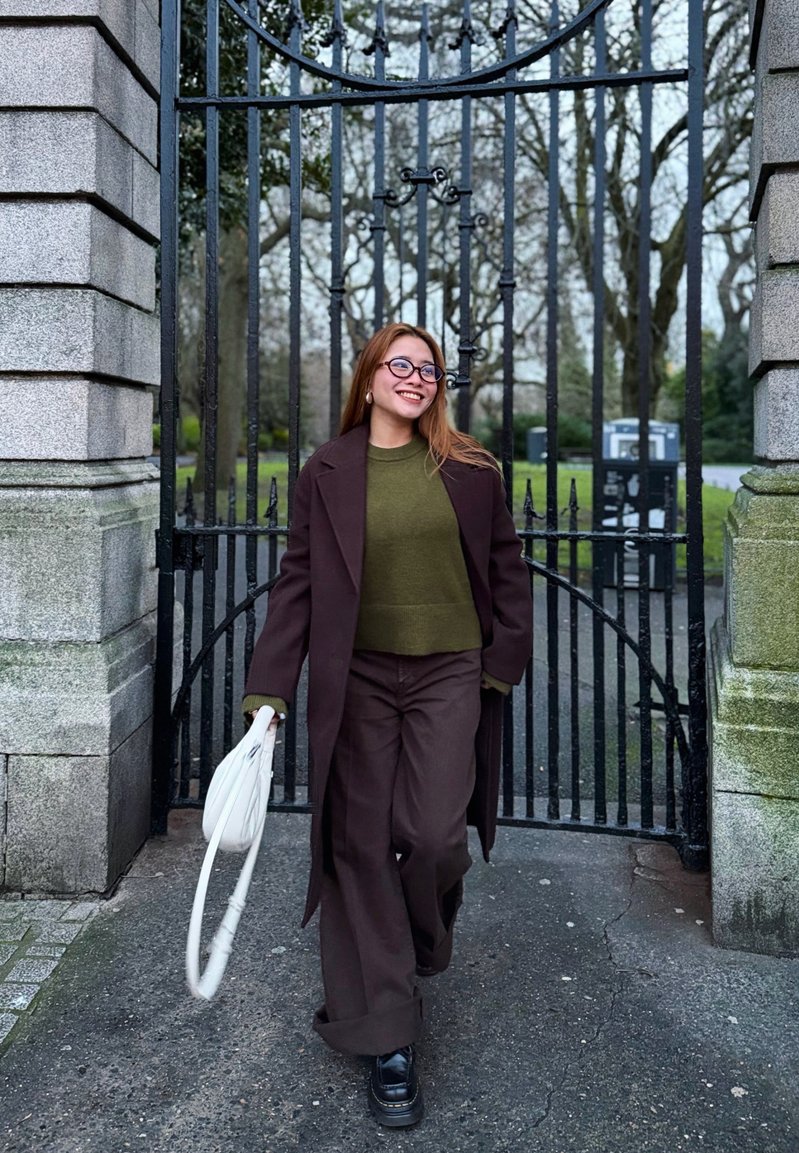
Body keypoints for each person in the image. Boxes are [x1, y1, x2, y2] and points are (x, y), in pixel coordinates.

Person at [242, 322, 532, 1127]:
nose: (416, 377)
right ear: (369, 379)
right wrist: (269, 689)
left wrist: (501, 662)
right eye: (399, 365)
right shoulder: (325, 471)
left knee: (435, 835)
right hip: (360, 676)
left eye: (429, 369)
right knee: (360, 841)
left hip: (449, 671)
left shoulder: (472, 470)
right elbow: (296, 581)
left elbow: (508, 571)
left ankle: (403, 952)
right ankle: (388, 1030)